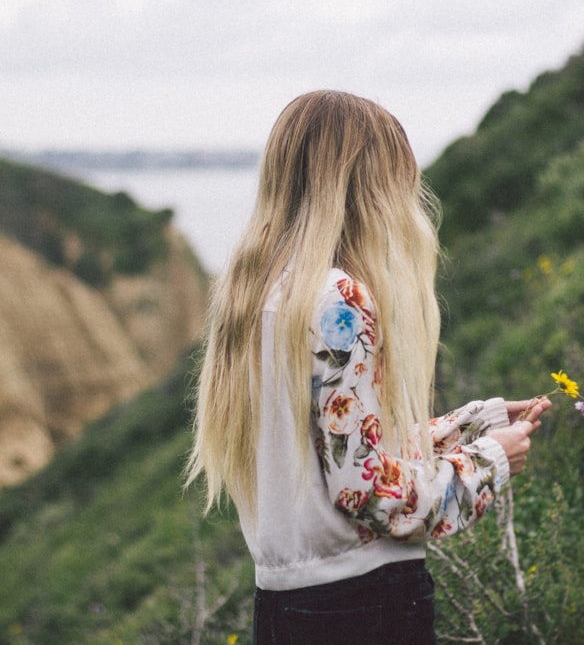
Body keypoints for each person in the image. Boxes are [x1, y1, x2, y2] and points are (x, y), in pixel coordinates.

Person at [186, 90, 550, 644]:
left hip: (285, 610)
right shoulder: (340, 300)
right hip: (364, 604)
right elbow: (370, 494)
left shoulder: (260, 294)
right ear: (365, 186)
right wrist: (490, 462)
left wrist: (476, 422)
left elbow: (338, 450)